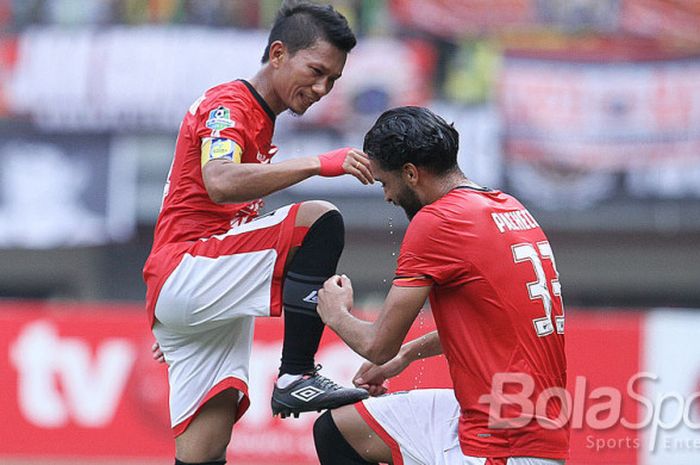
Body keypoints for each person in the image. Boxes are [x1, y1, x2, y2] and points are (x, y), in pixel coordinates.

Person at [142, 3, 372, 464]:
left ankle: (292, 374)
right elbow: (220, 181)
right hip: (188, 267)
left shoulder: (260, 118)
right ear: (278, 53)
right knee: (317, 221)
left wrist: (181, 311)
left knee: (203, 450)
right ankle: (296, 375)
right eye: (316, 70)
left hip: (195, 289)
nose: (322, 88)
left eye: (333, 80)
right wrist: (317, 163)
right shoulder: (230, 105)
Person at [314, 106, 569, 465]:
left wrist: (335, 312)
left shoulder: (437, 221)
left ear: (411, 173)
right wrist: (406, 355)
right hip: (524, 422)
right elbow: (496, 322)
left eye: (385, 183)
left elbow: (377, 346)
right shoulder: (508, 207)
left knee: (338, 433)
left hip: (502, 443)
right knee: (339, 430)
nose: (387, 196)